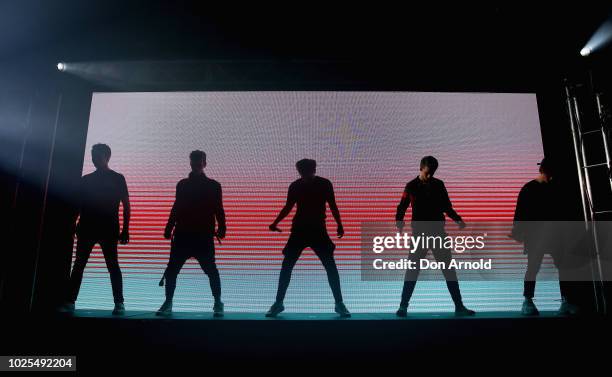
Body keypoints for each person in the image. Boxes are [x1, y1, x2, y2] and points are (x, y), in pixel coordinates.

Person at [266, 159, 350, 318]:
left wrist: (275, 223)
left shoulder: (300, 185)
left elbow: (290, 207)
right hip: (309, 230)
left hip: (307, 230)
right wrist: (339, 224)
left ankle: (278, 303)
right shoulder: (320, 184)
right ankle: (339, 303)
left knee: (289, 267)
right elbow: (290, 206)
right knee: (328, 267)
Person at [395, 156, 475, 317]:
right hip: (419, 235)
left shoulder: (439, 185)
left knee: (448, 270)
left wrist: (458, 219)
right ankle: (403, 306)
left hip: (438, 233)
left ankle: (459, 306)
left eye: (433, 172)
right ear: (421, 168)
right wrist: (399, 222)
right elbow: (402, 206)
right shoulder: (410, 186)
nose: (431, 175)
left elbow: (446, 206)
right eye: (428, 172)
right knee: (412, 270)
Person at [60, 143, 130, 315]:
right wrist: (74, 223)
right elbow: (79, 204)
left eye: (97, 155)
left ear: (107, 156)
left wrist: (126, 229)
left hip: (102, 228)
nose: (94, 159)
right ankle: (72, 301)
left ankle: (118, 302)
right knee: (84, 265)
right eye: (93, 156)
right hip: (92, 227)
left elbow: (126, 205)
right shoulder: (91, 179)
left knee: (105, 265)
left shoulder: (114, 178)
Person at [156, 150, 225, 317]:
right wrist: (168, 226)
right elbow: (177, 207)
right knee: (174, 270)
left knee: (208, 270)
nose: (196, 164)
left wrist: (222, 227)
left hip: (199, 235)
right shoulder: (186, 185)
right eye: (194, 161)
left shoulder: (211, 186)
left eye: (198, 161)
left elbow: (218, 209)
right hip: (186, 234)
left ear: (204, 163)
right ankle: (169, 302)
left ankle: (217, 301)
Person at [511, 157, 579, 316]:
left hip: (550, 235)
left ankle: (562, 300)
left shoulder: (540, 187)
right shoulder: (533, 188)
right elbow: (520, 213)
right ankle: (529, 301)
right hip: (538, 235)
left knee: (555, 267)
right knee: (536, 267)